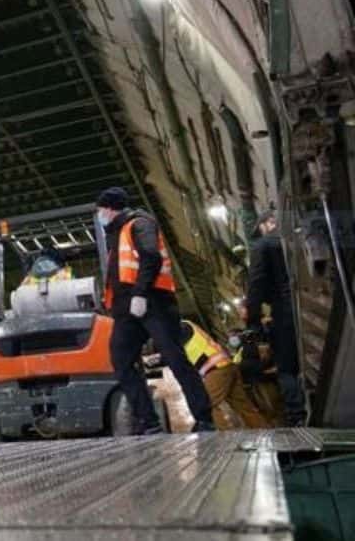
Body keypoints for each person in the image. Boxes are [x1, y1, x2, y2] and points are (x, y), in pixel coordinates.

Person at [96, 186, 215, 433]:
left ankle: (204, 419)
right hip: (126, 311)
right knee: (121, 361)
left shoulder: (139, 224)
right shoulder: (115, 235)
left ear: (108, 208)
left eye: (100, 210)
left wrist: (140, 293)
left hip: (154, 303)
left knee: (175, 359)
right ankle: (148, 422)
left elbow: (151, 257)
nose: (99, 215)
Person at [245, 211, 306, 426]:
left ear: (264, 225)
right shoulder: (301, 236)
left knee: (287, 366)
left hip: (284, 308)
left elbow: (256, 284)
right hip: (312, 303)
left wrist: (253, 319)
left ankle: (297, 416)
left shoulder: (263, 246)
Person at [178, 321, 269, 429]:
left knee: (207, 405)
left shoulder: (180, 327)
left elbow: (174, 347)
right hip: (226, 366)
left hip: (216, 369)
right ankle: (263, 432)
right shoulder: (186, 325)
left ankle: (222, 440)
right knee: (243, 406)